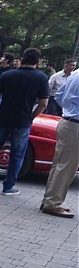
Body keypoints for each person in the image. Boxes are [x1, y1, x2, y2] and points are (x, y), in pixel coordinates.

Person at [0, 47, 49, 196]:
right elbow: (44, 103)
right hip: (23, 121)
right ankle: (8, 187)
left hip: (3, 118)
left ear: (22, 58)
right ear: (37, 62)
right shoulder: (41, 78)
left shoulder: (8, 74)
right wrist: (32, 116)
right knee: (17, 155)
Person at [40, 70, 79, 217]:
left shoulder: (75, 73)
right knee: (67, 166)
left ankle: (49, 199)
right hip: (75, 125)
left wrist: (70, 109)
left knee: (60, 164)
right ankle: (52, 203)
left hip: (67, 121)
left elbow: (58, 94)